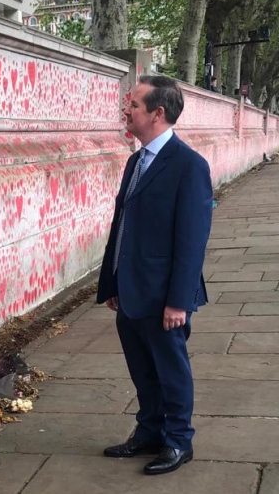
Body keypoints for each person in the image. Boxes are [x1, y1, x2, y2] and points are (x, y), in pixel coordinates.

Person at [96, 75, 213, 475]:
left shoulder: (189, 166)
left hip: (165, 296)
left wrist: (179, 300)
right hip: (130, 291)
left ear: (157, 113)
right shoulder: (136, 160)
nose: (125, 110)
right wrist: (111, 282)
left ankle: (179, 441)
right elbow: (123, 225)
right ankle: (149, 432)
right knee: (142, 370)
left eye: (133, 105)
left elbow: (192, 241)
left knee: (171, 370)